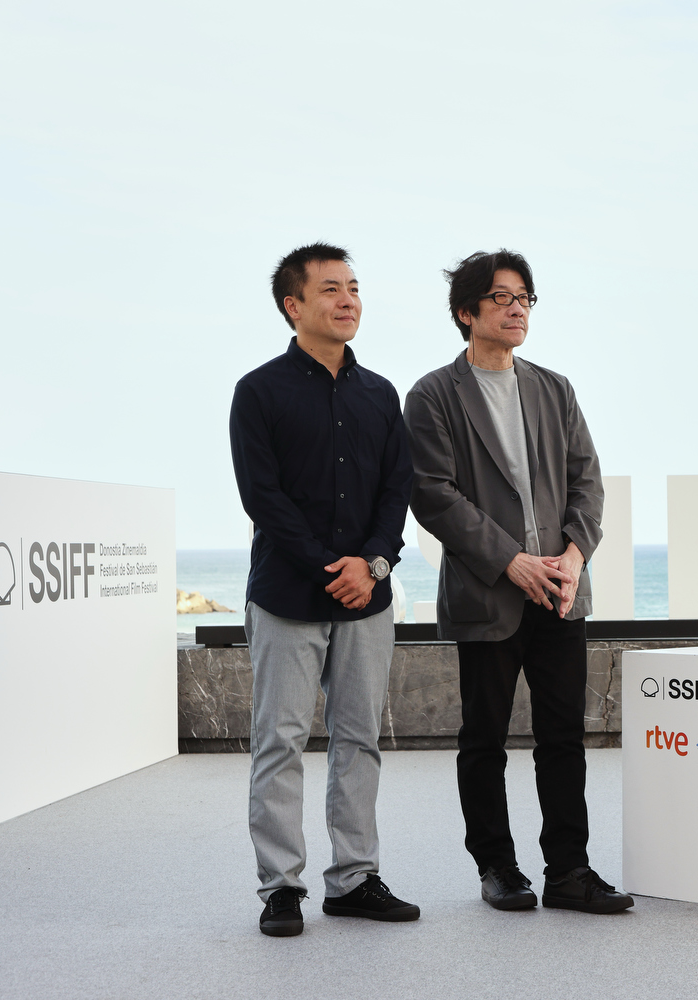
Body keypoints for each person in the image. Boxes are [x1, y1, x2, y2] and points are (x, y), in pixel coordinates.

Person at [405, 249, 633, 913]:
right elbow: (433, 494)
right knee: (484, 739)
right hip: (488, 594)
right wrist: (510, 561)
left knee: (564, 738)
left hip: (560, 591)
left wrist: (575, 555)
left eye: (524, 297)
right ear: (465, 312)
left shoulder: (555, 389)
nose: (516, 309)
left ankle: (569, 871)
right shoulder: (433, 395)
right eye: (501, 297)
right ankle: (497, 868)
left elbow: (587, 482)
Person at [230, 242, 421, 936]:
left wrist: (371, 564)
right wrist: (328, 568)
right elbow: (263, 497)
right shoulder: (259, 391)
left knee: (359, 740)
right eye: (331, 289)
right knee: (279, 742)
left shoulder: (381, 395)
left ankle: (354, 880)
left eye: (354, 288)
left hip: (368, 596)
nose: (348, 300)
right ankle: (281, 888)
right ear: (294, 305)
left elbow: (397, 490)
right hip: (287, 594)